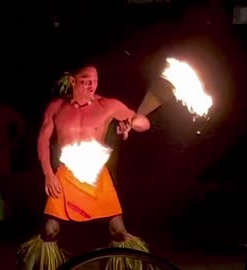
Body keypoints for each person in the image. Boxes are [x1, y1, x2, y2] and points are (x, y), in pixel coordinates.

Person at [18, 65, 151, 270]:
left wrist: (132, 123)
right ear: (73, 81)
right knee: (49, 231)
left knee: (118, 230)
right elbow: (42, 140)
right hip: (66, 175)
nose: (91, 85)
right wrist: (48, 174)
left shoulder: (107, 105)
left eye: (95, 81)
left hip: (97, 175)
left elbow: (144, 123)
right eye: (86, 80)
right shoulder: (56, 107)